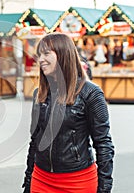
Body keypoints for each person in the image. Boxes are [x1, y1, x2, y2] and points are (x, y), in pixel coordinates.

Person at [22, 33, 114, 193]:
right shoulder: (40, 93)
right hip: (41, 179)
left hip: (78, 181)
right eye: (39, 54)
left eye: (46, 53)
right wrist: (28, 180)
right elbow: (35, 140)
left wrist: (104, 188)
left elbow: (103, 143)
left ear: (63, 54)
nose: (41, 59)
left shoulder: (90, 93)